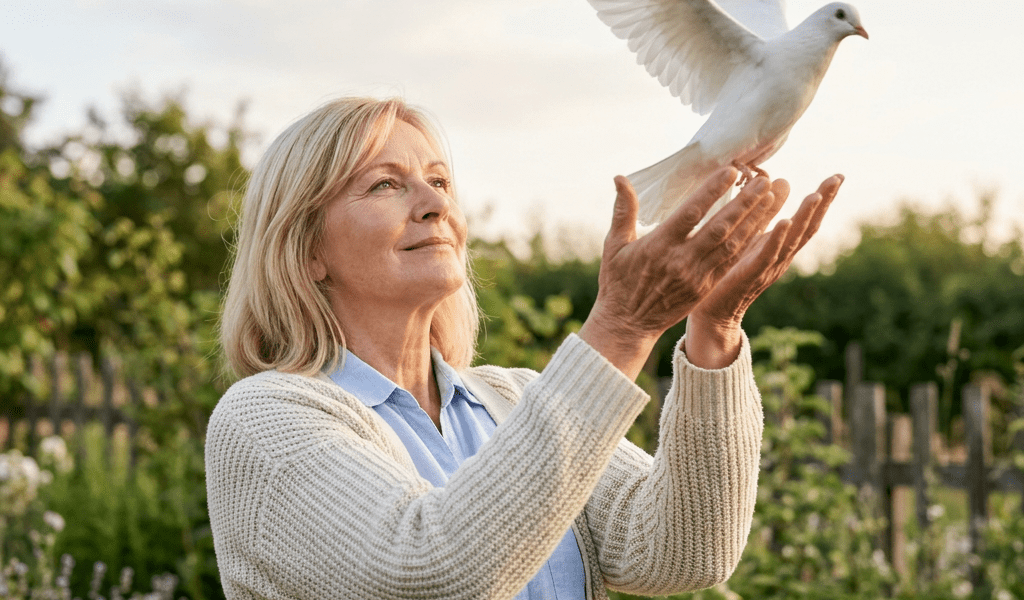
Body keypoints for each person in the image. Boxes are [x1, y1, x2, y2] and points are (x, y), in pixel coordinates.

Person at [205, 96, 842, 600]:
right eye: (384, 185)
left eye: (438, 181)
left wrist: (714, 328)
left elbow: (684, 549)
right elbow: (431, 569)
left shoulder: (515, 399)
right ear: (307, 249)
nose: (435, 206)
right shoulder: (267, 419)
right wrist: (622, 328)